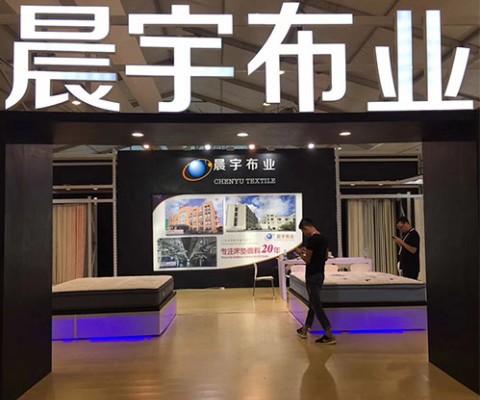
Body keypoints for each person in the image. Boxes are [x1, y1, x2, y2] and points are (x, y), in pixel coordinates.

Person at [294, 218, 336, 345]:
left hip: (312, 275)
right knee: (313, 304)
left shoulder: (312, 240)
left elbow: (307, 260)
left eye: (303, 231)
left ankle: (329, 334)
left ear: (306, 228)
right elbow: (325, 257)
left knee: (316, 305)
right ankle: (304, 330)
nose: (304, 234)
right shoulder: (324, 238)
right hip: (320, 274)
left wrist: (299, 253)